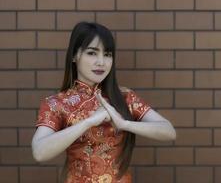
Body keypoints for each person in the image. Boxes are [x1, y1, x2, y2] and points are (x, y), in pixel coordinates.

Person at [31, 22, 176, 183]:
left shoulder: (125, 97)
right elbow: (39, 152)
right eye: (92, 53)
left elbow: (168, 131)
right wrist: (88, 122)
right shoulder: (57, 104)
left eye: (107, 54)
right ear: (74, 55)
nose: (101, 62)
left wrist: (125, 124)